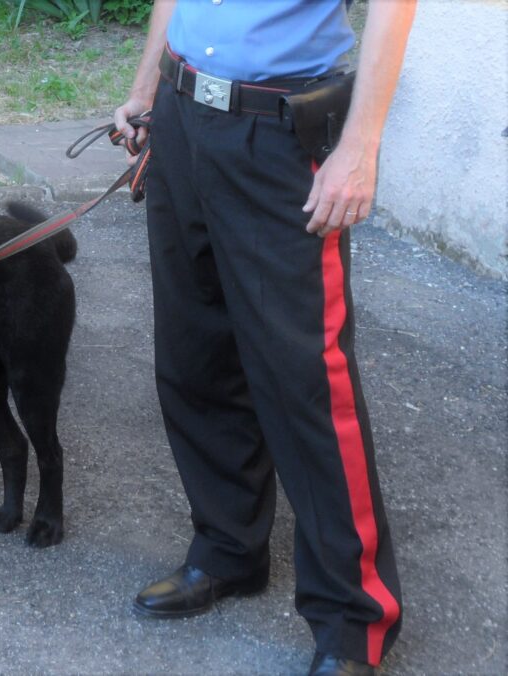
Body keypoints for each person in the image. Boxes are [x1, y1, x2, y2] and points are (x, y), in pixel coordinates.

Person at [113, 1, 415, 674]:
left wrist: (360, 149)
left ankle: (352, 619)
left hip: (280, 134)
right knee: (195, 357)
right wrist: (146, 91)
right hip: (184, 118)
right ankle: (228, 549)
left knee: (307, 381)